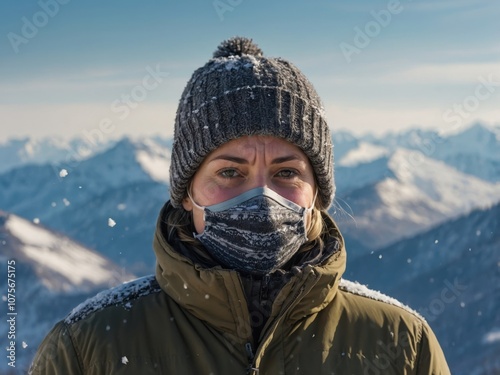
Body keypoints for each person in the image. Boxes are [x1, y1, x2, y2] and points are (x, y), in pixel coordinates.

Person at [30, 36, 450, 374]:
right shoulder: (89, 349)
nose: (262, 197)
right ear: (185, 192)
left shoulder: (401, 345)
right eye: (230, 173)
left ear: (318, 195)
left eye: (287, 173)